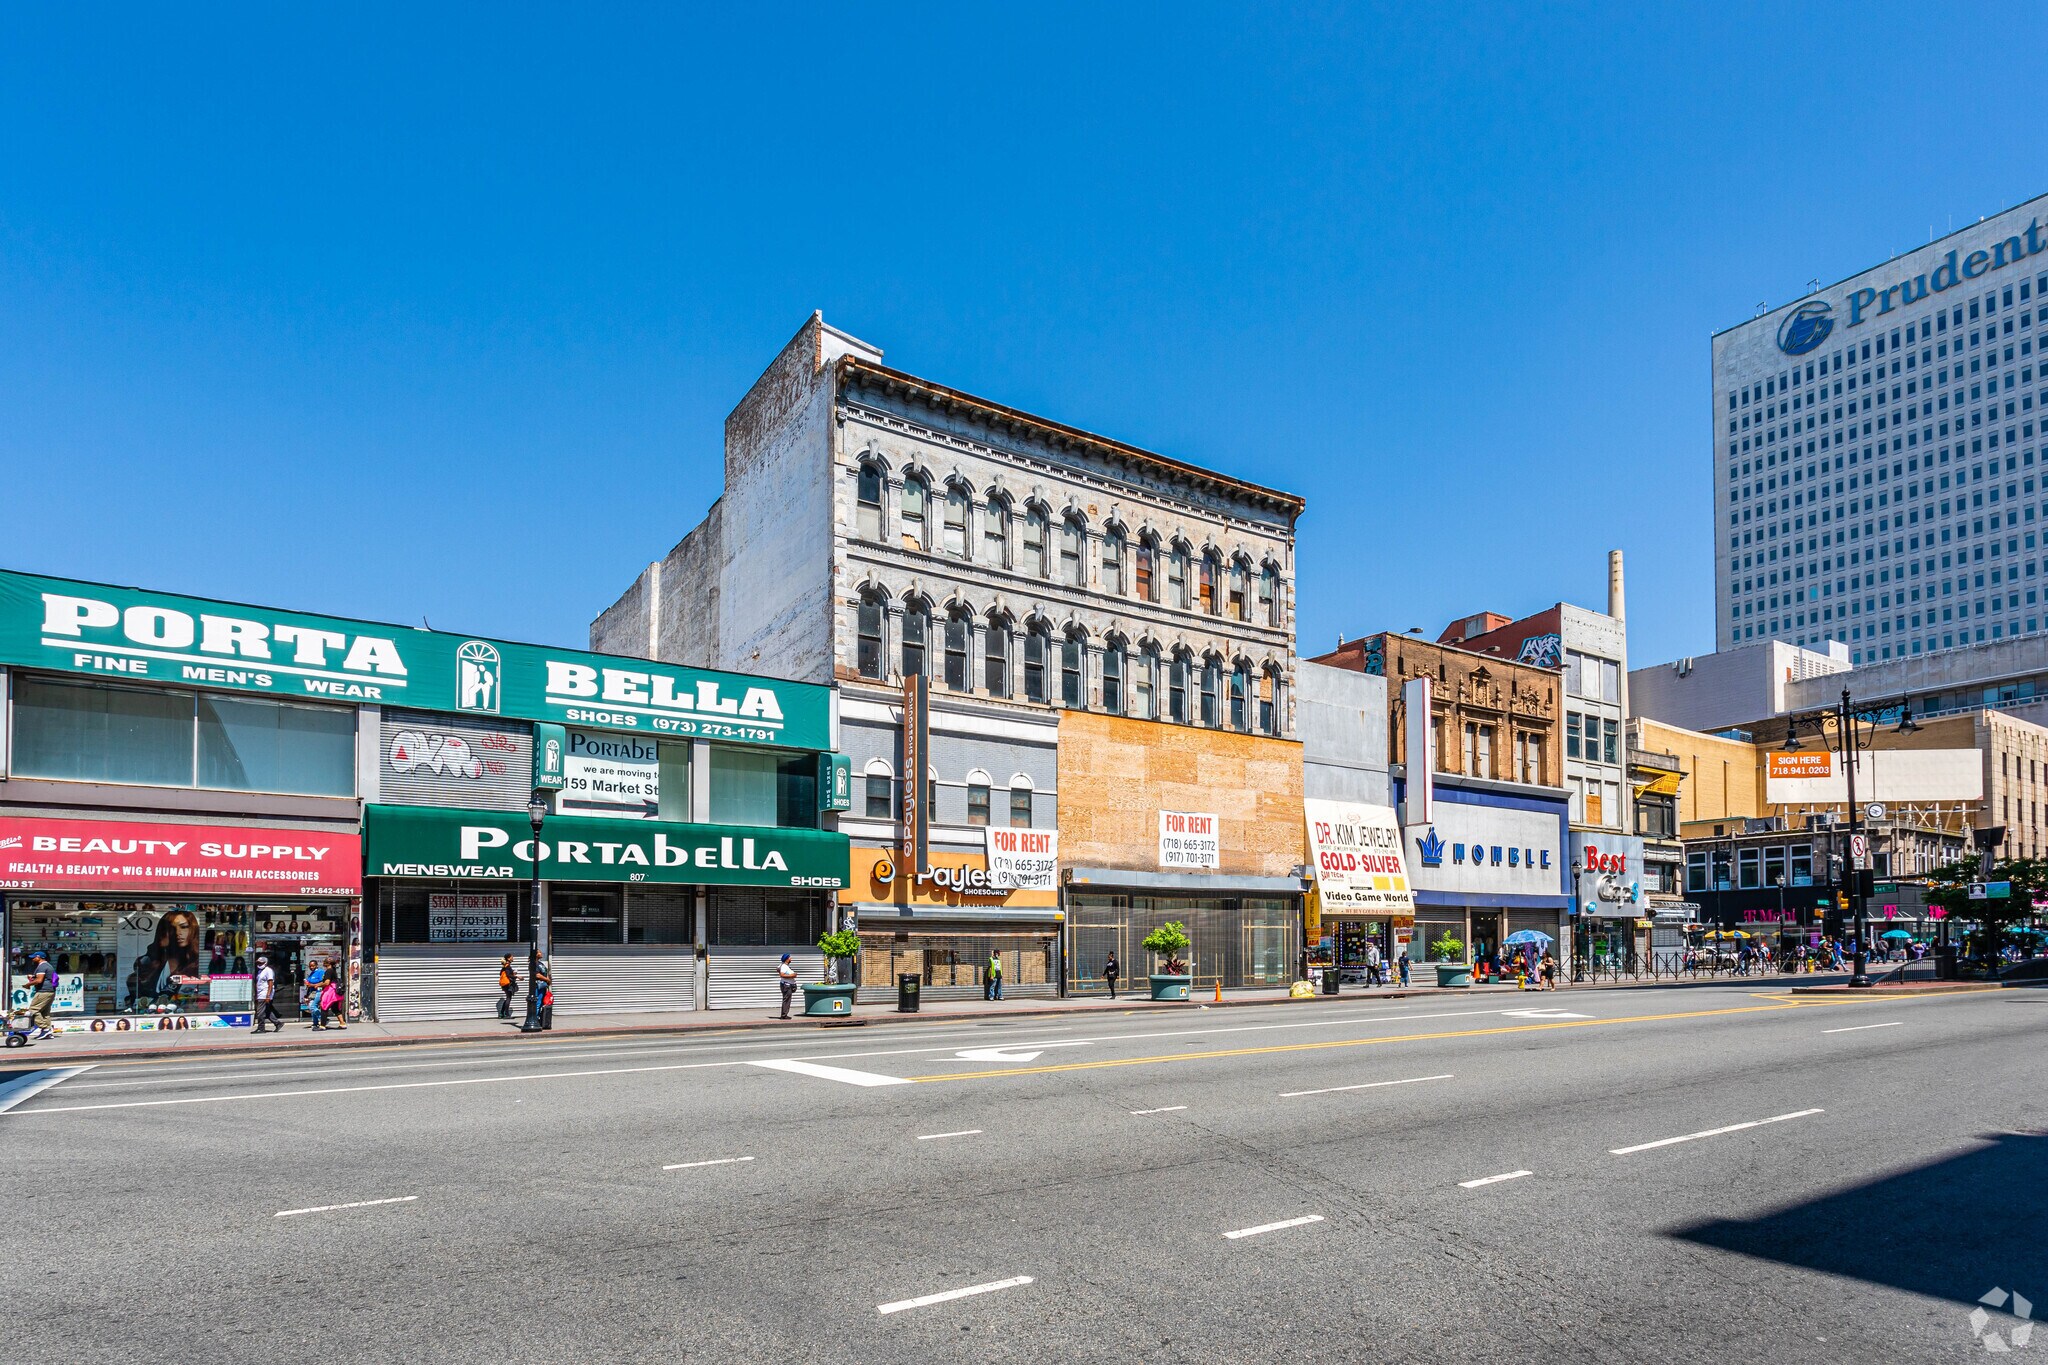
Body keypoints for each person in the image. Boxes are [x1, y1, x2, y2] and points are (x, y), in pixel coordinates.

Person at [23, 951, 58, 1041]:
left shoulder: (42, 966)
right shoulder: (47, 966)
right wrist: (32, 977)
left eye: (34, 957)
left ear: (39, 957)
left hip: (43, 991)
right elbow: (43, 978)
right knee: (44, 1013)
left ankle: (45, 1029)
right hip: (50, 991)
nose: (33, 959)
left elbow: (39, 980)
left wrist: (28, 984)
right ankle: (48, 1032)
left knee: (33, 1010)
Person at [252, 954, 282, 1033]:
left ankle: (261, 1028)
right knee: (267, 1011)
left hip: (265, 993)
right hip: (260, 993)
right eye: (258, 963)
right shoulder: (260, 971)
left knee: (260, 1012)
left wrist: (268, 995)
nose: (259, 964)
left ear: (265, 963)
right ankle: (277, 1023)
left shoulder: (268, 970)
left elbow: (270, 983)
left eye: (261, 963)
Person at [304, 961, 329, 1030]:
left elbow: (323, 982)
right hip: (312, 992)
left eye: (313, 966)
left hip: (319, 991)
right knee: (311, 1006)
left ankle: (323, 1019)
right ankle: (315, 1023)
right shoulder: (312, 973)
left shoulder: (320, 972)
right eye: (310, 966)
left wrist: (311, 985)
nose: (311, 967)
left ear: (316, 965)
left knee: (313, 1006)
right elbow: (309, 982)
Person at [497, 954, 519, 1020]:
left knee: (508, 998)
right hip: (508, 984)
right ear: (508, 958)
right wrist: (517, 976)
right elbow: (508, 975)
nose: (513, 958)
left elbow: (501, 974)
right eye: (512, 957)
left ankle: (502, 1013)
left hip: (505, 984)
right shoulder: (507, 966)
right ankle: (506, 1014)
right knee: (508, 998)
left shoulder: (504, 966)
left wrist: (512, 974)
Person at [776, 952, 797, 1019]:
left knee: (787, 1000)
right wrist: (792, 975)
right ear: (786, 959)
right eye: (789, 957)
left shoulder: (782, 965)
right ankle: (784, 1015)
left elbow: (777, 969)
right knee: (787, 1000)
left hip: (786, 985)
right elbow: (782, 975)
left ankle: (784, 1014)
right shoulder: (784, 966)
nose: (791, 959)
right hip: (786, 986)